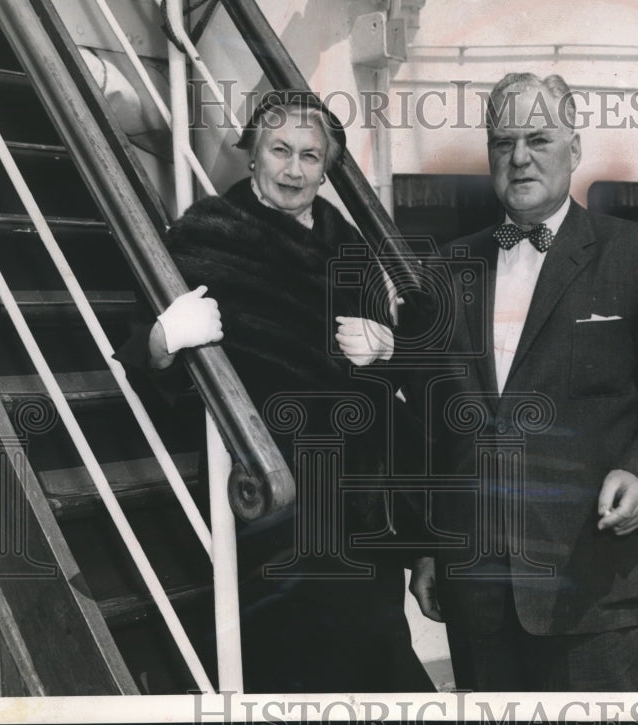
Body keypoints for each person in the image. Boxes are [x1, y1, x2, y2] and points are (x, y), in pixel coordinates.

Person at [406, 73, 638, 692]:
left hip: (592, 589)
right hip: (478, 594)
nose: (519, 157)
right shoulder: (448, 269)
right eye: (502, 143)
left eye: (538, 138)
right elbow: (430, 421)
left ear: (574, 150)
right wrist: (424, 546)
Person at [114, 92, 433, 694]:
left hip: (359, 509)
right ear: (251, 157)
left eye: (311, 157)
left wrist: (390, 350)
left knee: (372, 662)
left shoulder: (356, 255)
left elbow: (405, 398)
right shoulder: (203, 239)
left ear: (327, 166)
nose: (294, 170)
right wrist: (164, 337)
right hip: (262, 504)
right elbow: (142, 362)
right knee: (283, 671)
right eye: (280, 151)